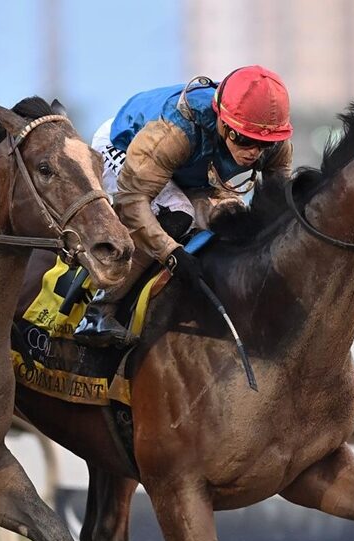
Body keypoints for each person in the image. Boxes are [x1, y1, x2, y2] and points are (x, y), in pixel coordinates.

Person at [72, 65, 294, 347]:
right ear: (223, 122)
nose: (253, 152)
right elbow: (132, 200)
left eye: (265, 144)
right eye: (245, 139)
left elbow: (279, 207)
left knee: (232, 216)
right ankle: (99, 310)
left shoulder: (274, 143)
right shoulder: (176, 132)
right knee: (177, 214)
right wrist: (171, 253)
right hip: (124, 144)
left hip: (185, 166)